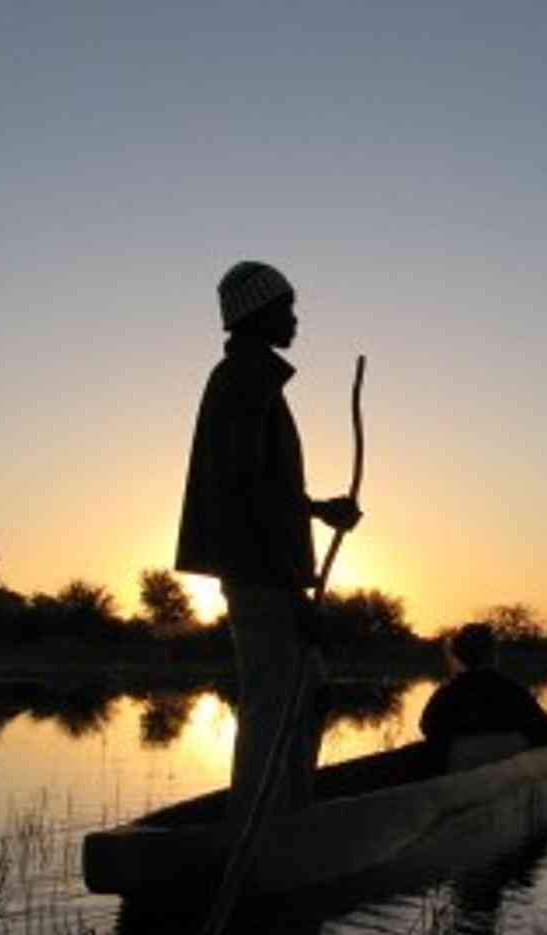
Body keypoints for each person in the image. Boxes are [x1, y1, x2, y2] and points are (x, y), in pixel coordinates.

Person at [174, 260, 361, 829]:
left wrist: (315, 511)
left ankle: (287, 813)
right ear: (259, 314)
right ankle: (260, 830)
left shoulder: (251, 379)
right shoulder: (244, 379)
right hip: (261, 573)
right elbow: (246, 485)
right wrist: (294, 574)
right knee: (274, 705)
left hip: (269, 572)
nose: (296, 319)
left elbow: (261, 483)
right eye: (287, 307)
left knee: (305, 695)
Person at [420, 623, 547, 772]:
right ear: (492, 653)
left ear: (459, 655)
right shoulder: (511, 689)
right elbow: (546, 734)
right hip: (509, 769)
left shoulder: (446, 693)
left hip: (459, 770)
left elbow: (427, 728)